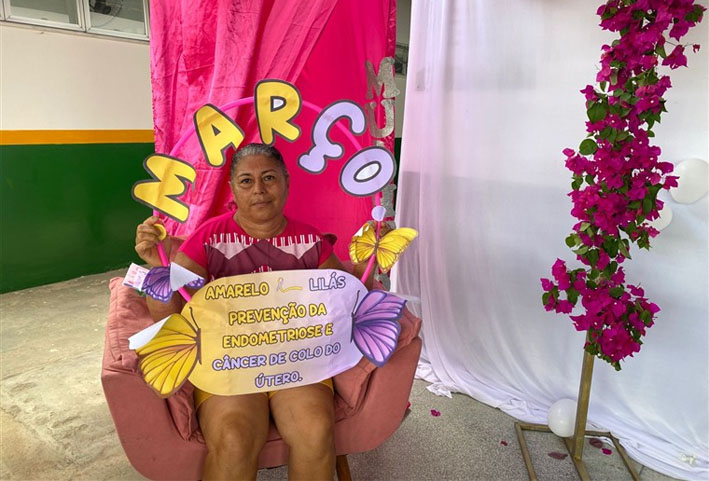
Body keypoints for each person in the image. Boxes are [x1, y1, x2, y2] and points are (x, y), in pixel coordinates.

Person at [135, 143, 372, 481]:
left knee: (316, 430)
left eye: (269, 178)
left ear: (286, 182)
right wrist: (157, 268)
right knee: (234, 438)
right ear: (233, 189)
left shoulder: (310, 240)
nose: (259, 189)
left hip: (297, 357)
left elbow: (348, 298)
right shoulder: (209, 238)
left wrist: (370, 262)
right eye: (246, 181)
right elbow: (167, 314)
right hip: (228, 359)